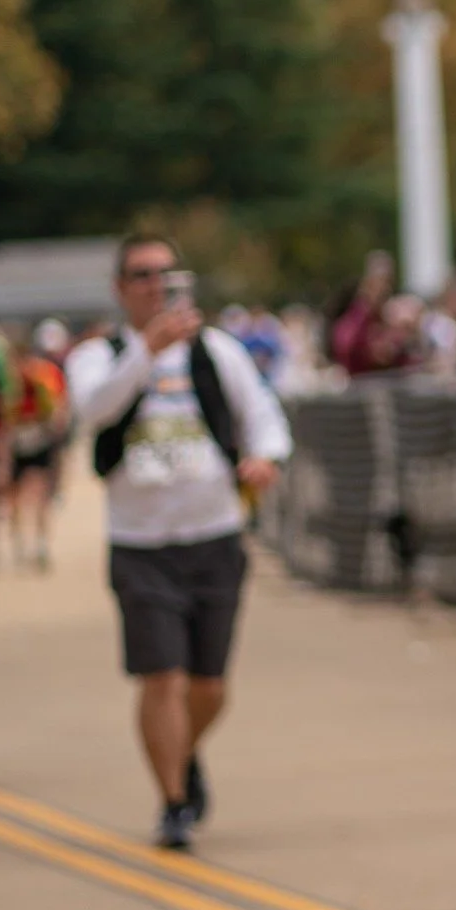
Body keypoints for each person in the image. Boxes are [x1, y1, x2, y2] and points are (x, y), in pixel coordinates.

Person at [66, 234, 293, 849]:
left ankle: (182, 753)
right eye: (142, 274)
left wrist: (266, 457)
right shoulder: (100, 355)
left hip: (214, 534)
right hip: (141, 543)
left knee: (208, 686)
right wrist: (146, 351)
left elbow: (264, 415)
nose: (156, 283)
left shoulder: (216, 350)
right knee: (160, 676)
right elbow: (94, 411)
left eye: (166, 272)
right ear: (120, 288)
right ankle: (172, 802)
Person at [1, 318, 71, 571]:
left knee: (37, 493)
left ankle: (38, 543)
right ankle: (24, 543)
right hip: (23, 438)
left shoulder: (41, 376)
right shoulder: (12, 380)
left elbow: (57, 407)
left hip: (35, 436)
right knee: (18, 496)